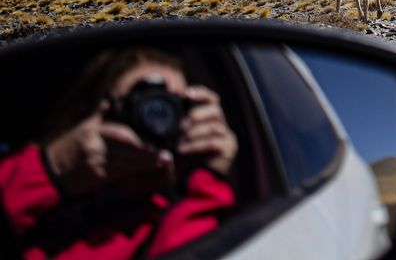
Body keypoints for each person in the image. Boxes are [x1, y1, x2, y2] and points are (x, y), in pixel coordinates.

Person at [0, 47, 238, 259]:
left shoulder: (165, 219)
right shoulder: (34, 174)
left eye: (174, 107)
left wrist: (209, 175)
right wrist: (57, 168)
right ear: (93, 114)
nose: (157, 121)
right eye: (138, 103)